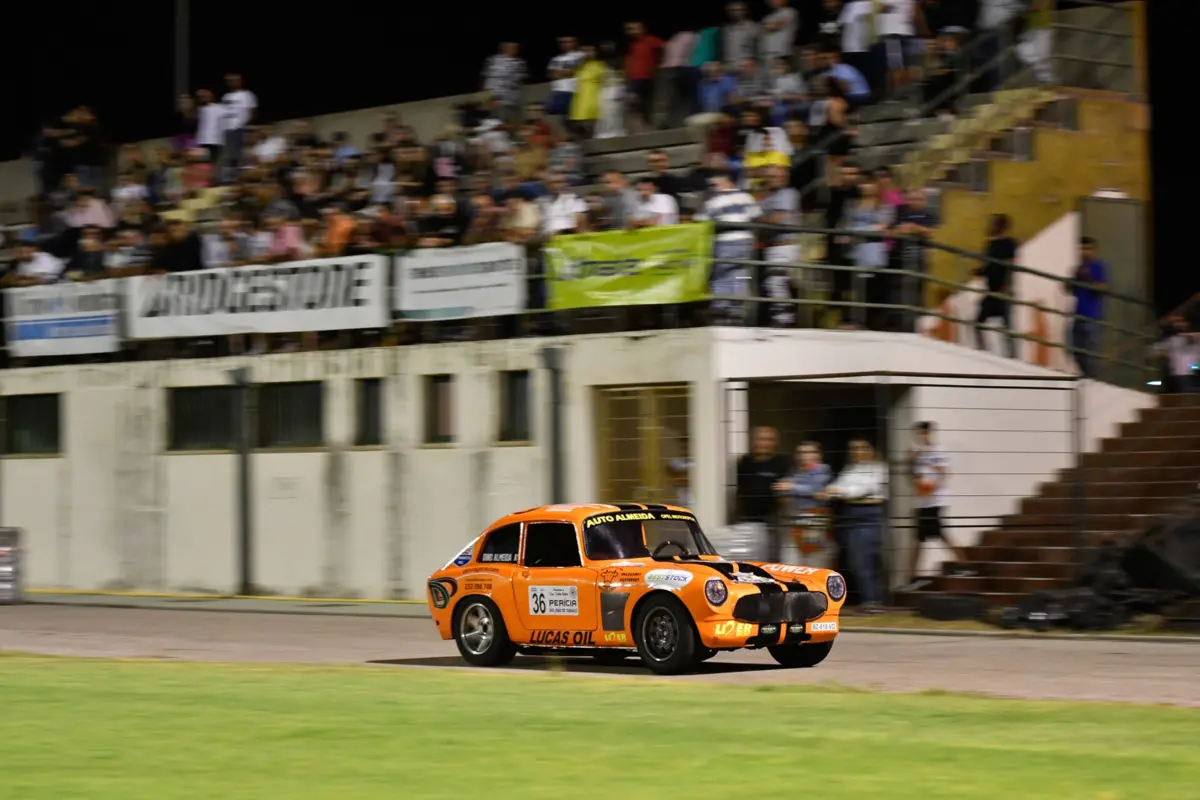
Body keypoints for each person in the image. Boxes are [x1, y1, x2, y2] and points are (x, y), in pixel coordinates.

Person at [900, 422, 973, 592]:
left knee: (937, 533)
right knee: (921, 538)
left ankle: (964, 565)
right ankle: (913, 576)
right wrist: (909, 462)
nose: (922, 436)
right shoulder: (917, 454)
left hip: (935, 500)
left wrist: (933, 488)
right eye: (919, 434)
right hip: (922, 501)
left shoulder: (938, 451)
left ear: (930, 433)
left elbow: (944, 472)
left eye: (925, 433)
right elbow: (912, 475)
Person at [817, 438, 887, 612]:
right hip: (849, 515)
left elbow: (864, 489)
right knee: (855, 560)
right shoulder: (850, 470)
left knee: (864, 559)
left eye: (862, 447)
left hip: (866, 515)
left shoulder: (879, 469)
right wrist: (834, 491)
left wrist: (838, 492)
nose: (857, 452)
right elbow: (837, 486)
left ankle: (873, 601)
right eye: (854, 448)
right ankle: (868, 599)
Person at [735, 426, 792, 562]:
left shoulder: (782, 463)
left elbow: (787, 492)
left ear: (775, 443)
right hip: (746, 521)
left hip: (771, 522)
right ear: (753, 441)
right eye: (760, 439)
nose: (764, 443)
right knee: (748, 560)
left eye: (769, 440)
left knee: (771, 561)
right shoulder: (745, 462)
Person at [773, 441, 833, 561]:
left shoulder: (822, 469)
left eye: (809, 452)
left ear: (818, 455)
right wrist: (798, 489)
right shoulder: (795, 472)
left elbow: (817, 489)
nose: (803, 456)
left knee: (813, 559)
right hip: (793, 520)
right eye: (800, 453)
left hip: (813, 520)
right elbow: (780, 490)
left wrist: (792, 487)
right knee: (791, 560)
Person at [975, 213, 1017, 358]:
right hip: (991, 290)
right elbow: (988, 266)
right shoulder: (990, 244)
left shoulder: (1009, 243)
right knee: (978, 323)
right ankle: (984, 353)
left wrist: (1007, 285)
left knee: (1007, 327)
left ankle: (1012, 358)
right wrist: (978, 271)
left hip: (1003, 290)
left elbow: (1010, 266)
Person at [1065, 236, 1108, 379]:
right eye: (1082, 249)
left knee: (1091, 353)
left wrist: (1088, 278)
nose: (1084, 252)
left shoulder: (1098, 267)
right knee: (1073, 348)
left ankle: (1093, 379)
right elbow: (1069, 291)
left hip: (1092, 316)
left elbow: (1102, 288)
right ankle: (1087, 376)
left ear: (1094, 250)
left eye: (1088, 249)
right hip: (1078, 314)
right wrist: (1070, 282)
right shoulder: (1078, 268)